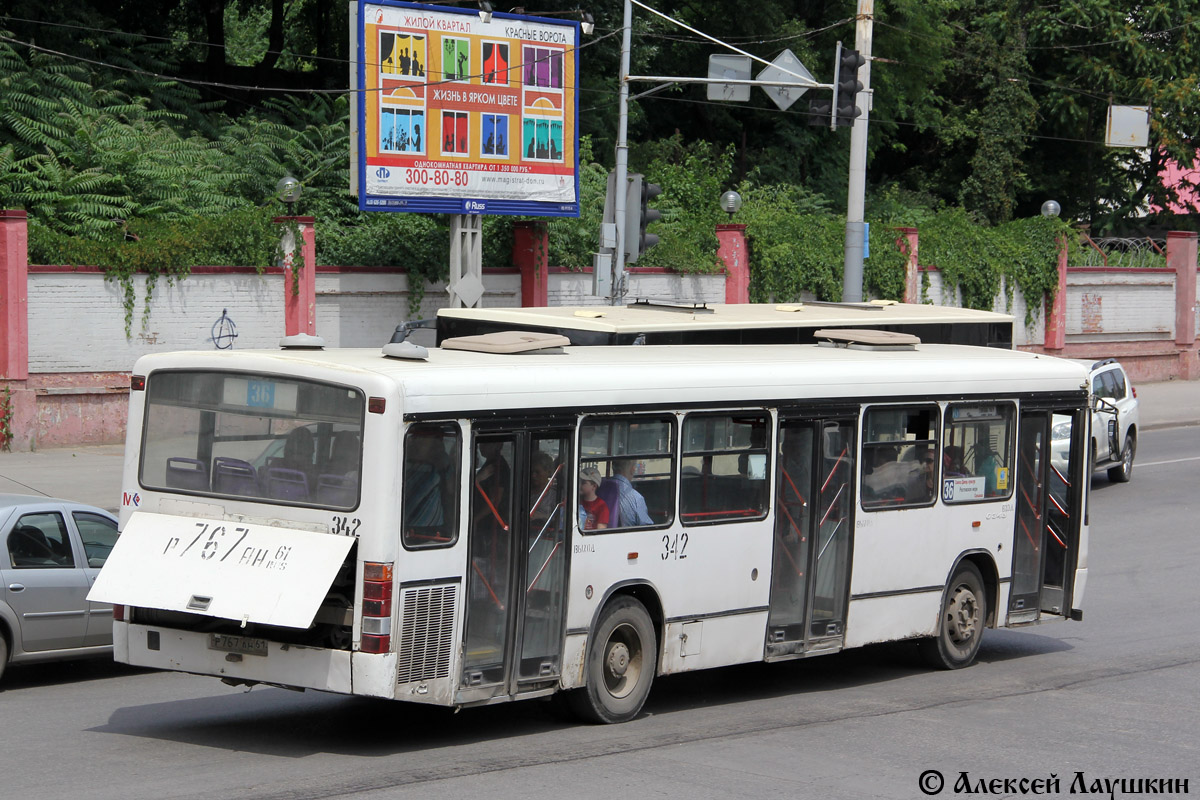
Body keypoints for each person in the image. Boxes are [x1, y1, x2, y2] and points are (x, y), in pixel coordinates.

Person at [608, 458, 653, 527]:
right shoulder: (636, 498)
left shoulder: (599, 489)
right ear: (633, 470)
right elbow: (646, 529)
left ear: (612, 468)